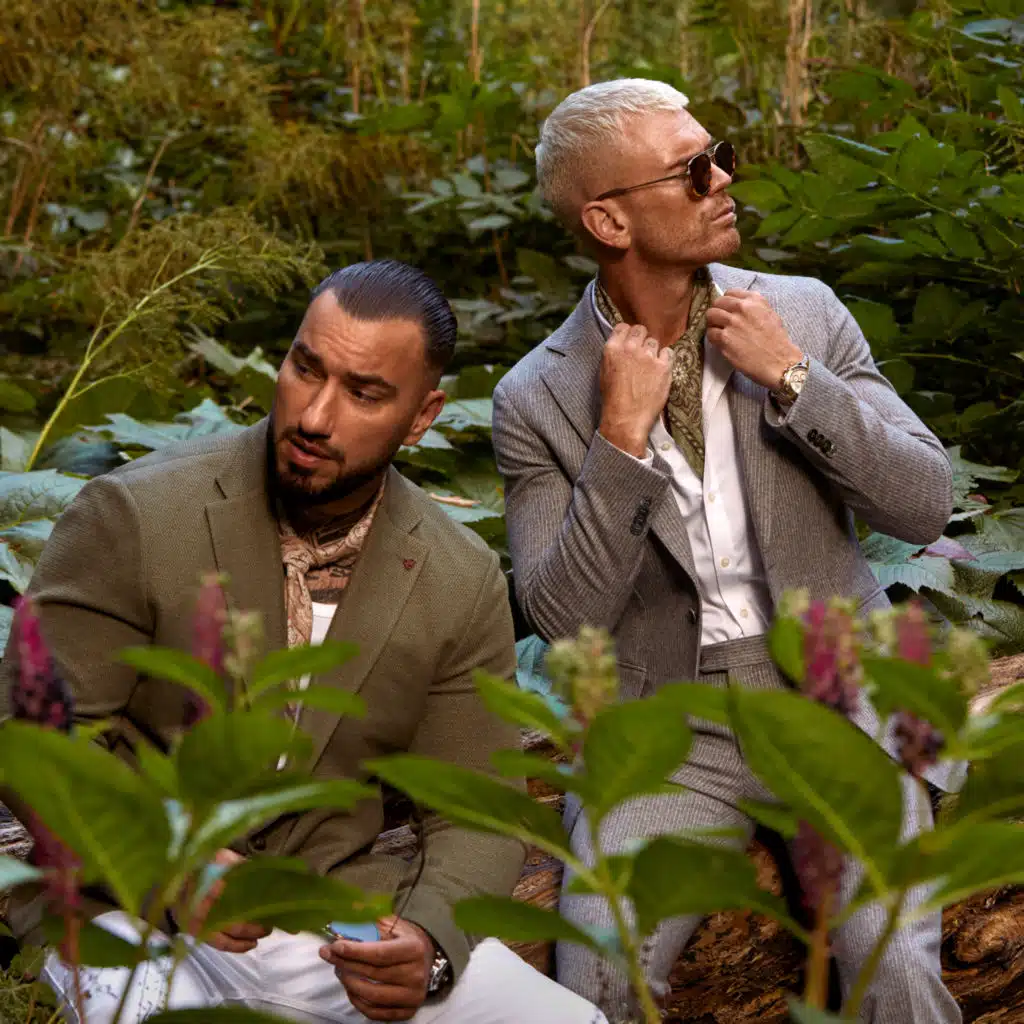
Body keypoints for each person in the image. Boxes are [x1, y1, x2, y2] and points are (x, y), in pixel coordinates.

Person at [0, 260, 608, 1024]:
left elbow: (477, 807)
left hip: (328, 926)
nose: (315, 416)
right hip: (119, 909)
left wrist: (429, 943)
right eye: (305, 368)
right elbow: (32, 738)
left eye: (364, 393)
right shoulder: (135, 515)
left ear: (423, 416)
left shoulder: (458, 575)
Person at [490, 79, 962, 1023]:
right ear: (609, 221)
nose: (724, 180)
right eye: (693, 170)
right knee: (600, 981)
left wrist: (796, 379)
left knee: (895, 971)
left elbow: (924, 503)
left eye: (720, 155)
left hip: (837, 696)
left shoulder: (804, 315)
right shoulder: (535, 397)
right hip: (667, 729)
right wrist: (618, 444)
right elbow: (562, 620)